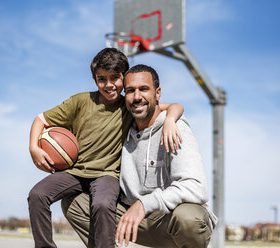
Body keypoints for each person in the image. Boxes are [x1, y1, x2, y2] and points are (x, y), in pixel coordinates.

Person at [28, 49, 184, 248]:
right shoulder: (80, 101)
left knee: (102, 205)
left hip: (107, 175)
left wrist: (170, 120)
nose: (109, 85)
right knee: (37, 195)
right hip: (75, 172)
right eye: (102, 79)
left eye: (115, 78)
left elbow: (176, 106)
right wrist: (34, 148)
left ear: (124, 78)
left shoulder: (129, 105)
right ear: (94, 80)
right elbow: (40, 119)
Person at [62, 64, 217, 248]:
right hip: (132, 220)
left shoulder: (174, 127)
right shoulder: (121, 127)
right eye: (130, 91)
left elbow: (196, 187)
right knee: (73, 202)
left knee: (190, 218)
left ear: (157, 93)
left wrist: (144, 204)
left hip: (168, 221)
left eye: (144, 89)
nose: (137, 97)